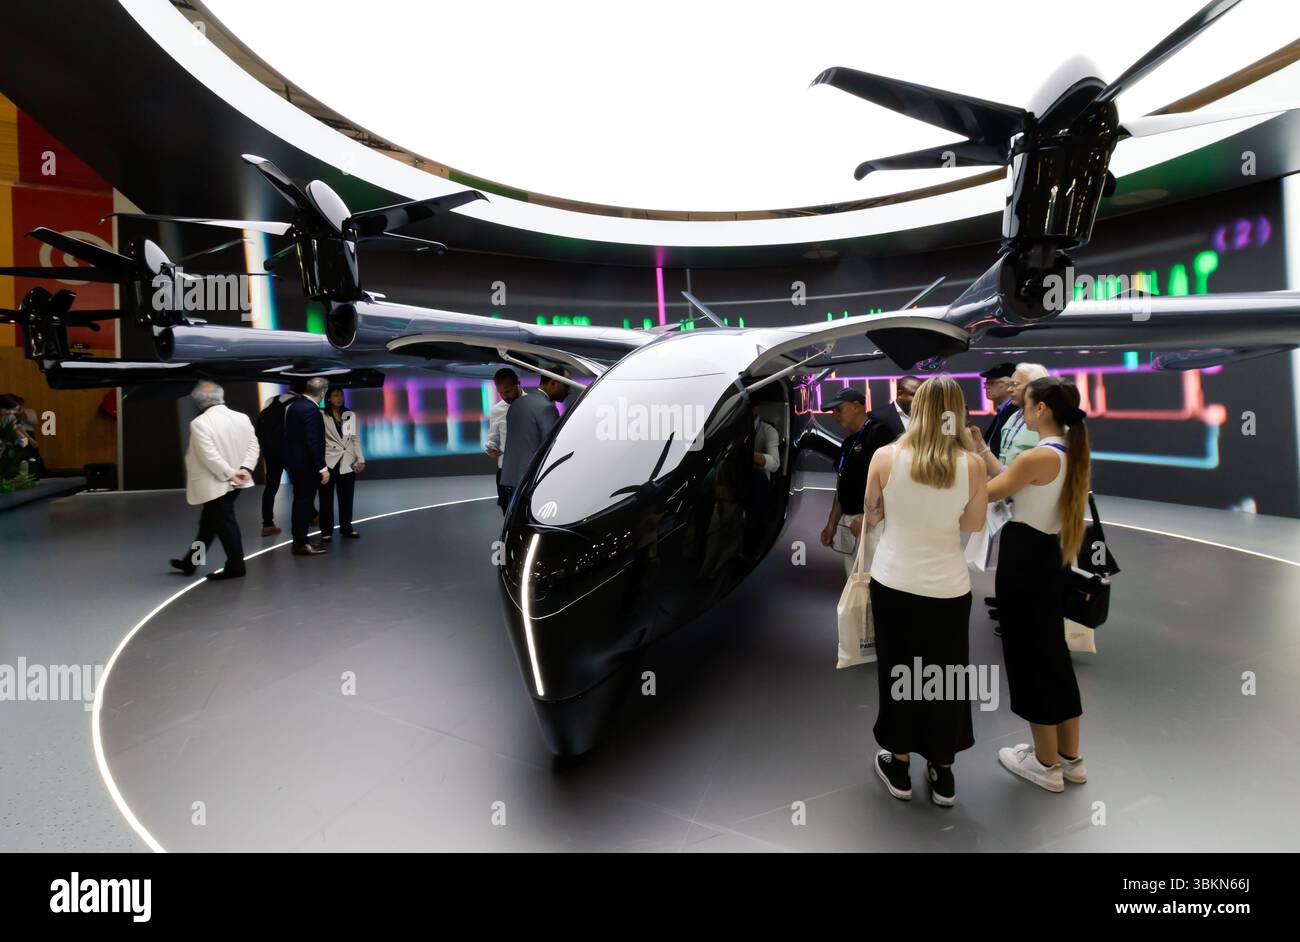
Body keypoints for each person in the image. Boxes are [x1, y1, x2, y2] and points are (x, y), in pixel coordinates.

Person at [858, 376, 987, 807]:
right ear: (958, 412)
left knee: (898, 671)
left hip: (894, 581)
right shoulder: (971, 465)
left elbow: (871, 516)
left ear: (917, 409)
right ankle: (942, 770)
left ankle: (899, 764)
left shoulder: (885, 457)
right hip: (948, 588)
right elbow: (972, 525)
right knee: (946, 677)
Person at [987, 376, 1091, 793]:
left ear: (1041, 409)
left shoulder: (1036, 457)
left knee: (1029, 658)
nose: (1019, 408)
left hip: (1024, 561)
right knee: (1052, 654)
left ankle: (1044, 764)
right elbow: (1017, 486)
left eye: (1024, 403)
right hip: (1050, 557)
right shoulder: (1070, 451)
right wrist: (981, 450)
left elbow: (993, 492)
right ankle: (1070, 759)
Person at [168, 382, 259, 581]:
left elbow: (209, 455)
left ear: (199, 402)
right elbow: (253, 445)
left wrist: (228, 473)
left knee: (224, 523)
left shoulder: (200, 423)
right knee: (208, 524)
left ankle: (236, 566)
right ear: (221, 396)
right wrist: (245, 469)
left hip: (214, 483)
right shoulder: (241, 417)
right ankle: (191, 562)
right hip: (237, 481)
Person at [818, 388, 874, 576]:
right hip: (848, 523)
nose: (834, 415)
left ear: (857, 406)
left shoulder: (878, 434)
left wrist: (867, 517)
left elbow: (889, 484)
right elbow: (841, 486)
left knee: (870, 584)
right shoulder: (848, 443)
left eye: (838, 409)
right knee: (853, 583)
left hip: (870, 524)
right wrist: (832, 523)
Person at [498, 371, 570, 510]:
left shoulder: (517, 404)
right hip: (534, 480)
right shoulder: (547, 408)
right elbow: (551, 449)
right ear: (553, 383)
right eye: (565, 386)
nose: (568, 391)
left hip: (512, 478)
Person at [283, 376, 330, 556]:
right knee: (304, 502)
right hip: (305, 466)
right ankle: (301, 543)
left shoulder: (296, 405)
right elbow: (313, 441)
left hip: (295, 463)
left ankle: (300, 540)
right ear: (323, 392)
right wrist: (322, 467)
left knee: (301, 501)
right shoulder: (311, 410)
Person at [319, 385, 366, 541]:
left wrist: (360, 458)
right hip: (329, 461)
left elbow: (354, 438)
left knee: (346, 497)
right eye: (336, 395)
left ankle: (347, 528)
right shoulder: (321, 415)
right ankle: (326, 531)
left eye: (341, 395)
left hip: (347, 461)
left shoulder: (348, 414)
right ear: (328, 398)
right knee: (326, 499)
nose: (340, 398)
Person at [256, 387, 298, 535]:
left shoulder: (270, 401)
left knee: (271, 487)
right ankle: (308, 517)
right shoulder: (297, 403)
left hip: (269, 451)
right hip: (288, 450)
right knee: (301, 486)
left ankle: (267, 524)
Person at [485, 368, 525, 512]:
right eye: (500, 392)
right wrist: (491, 448)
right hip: (505, 470)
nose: (504, 396)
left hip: (529, 469)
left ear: (518, 384)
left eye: (507, 391)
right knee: (507, 510)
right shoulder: (497, 410)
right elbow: (493, 438)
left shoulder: (533, 405)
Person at [979, 362, 1018, 461]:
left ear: (1009, 384)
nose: (986, 387)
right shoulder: (1003, 411)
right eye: (986, 383)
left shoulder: (1016, 412)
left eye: (991, 383)